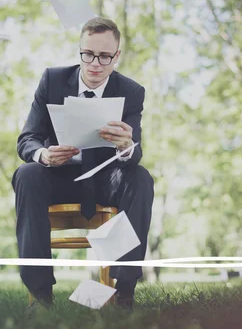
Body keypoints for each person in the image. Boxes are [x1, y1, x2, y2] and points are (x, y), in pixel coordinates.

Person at [12, 17, 154, 313]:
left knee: (140, 178)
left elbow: (134, 153)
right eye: (87, 54)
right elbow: (27, 140)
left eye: (104, 57)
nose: (94, 64)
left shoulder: (131, 91)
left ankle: (124, 292)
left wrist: (127, 146)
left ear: (117, 56)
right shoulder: (52, 79)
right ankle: (40, 294)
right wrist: (44, 155)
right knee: (27, 174)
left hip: (106, 181)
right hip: (59, 178)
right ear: (80, 50)